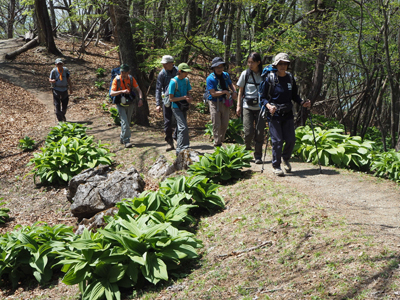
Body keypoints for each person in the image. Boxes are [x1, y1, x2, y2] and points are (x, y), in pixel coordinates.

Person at [260, 53, 311, 176]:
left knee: (290, 140)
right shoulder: (270, 79)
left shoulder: (290, 78)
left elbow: (294, 95)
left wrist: (302, 103)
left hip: (288, 113)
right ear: (276, 65)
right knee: (277, 141)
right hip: (274, 114)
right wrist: (269, 106)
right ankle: (276, 165)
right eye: (280, 63)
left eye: (285, 63)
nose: (283, 66)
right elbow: (262, 98)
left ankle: (285, 159)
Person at [236, 52, 264, 164]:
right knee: (248, 131)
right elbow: (240, 91)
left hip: (260, 107)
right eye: (248, 62)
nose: (250, 64)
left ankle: (258, 156)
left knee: (259, 132)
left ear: (258, 62)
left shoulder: (264, 75)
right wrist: (238, 106)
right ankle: (247, 151)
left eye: (252, 62)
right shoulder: (245, 74)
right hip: (247, 106)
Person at [206, 57, 237, 147]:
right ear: (214, 68)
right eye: (217, 67)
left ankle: (221, 140)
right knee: (216, 122)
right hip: (214, 102)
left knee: (225, 122)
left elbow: (231, 84)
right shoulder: (210, 78)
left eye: (221, 67)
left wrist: (234, 92)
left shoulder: (226, 75)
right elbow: (213, 93)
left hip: (225, 101)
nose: (219, 69)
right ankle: (217, 142)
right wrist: (225, 92)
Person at [110, 63, 143, 148]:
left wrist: (140, 99)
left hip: (130, 103)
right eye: (122, 72)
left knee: (127, 122)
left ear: (128, 72)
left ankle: (122, 137)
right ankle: (126, 140)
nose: (123, 74)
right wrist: (122, 91)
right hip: (120, 103)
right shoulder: (116, 80)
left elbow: (139, 90)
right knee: (124, 122)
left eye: (125, 72)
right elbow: (112, 93)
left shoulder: (131, 79)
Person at [169, 63, 193, 155]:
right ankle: (181, 148)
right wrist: (184, 98)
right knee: (183, 127)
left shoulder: (186, 80)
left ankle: (184, 146)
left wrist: (189, 98)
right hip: (176, 107)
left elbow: (188, 93)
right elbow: (171, 98)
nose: (187, 74)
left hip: (184, 106)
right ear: (180, 71)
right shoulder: (173, 82)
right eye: (185, 72)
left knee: (181, 127)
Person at [155, 55, 178, 151]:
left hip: (178, 99)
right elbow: (158, 88)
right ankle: (169, 141)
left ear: (171, 63)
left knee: (179, 120)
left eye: (165, 64)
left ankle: (176, 138)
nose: (163, 65)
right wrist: (157, 104)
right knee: (167, 122)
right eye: (163, 64)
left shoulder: (178, 71)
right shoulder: (162, 73)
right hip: (166, 100)